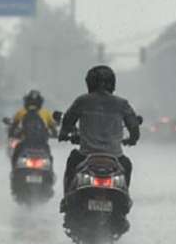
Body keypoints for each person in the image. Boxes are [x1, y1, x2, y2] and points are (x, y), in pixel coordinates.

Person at [57, 65, 140, 206]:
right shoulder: (122, 104)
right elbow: (134, 127)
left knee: (72, 162)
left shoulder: (82, 101)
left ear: (90, 82)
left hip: (86, 155)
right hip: (115, 157)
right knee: (127, 165)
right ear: (112, 83)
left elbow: (68, 121)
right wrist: (132, 139)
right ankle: (124, 203)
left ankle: (67, 201)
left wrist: (64, 134)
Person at [9, 89, 56, 163]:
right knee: (49, 156)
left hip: (25, 143)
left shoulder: (21, 112)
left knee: (16, 154)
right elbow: (53, 129)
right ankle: (50, 173)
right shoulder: (46, 113)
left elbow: (13, 127)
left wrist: (13, 134)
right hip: (42, 143)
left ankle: (14, 173)